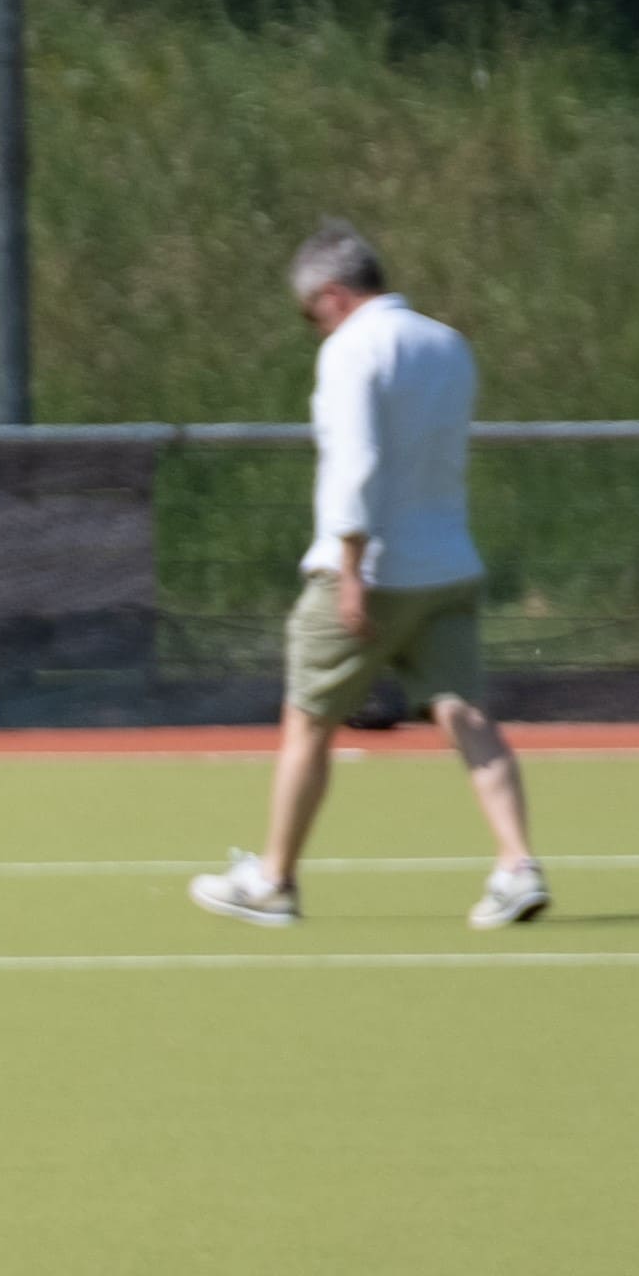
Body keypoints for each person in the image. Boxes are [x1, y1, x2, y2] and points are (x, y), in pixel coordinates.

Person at [196, 224, 546, 932]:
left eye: (310, 314)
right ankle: (518, 867)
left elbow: (353, 464)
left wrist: (352, 572)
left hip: (369, 571)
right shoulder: (448, 344)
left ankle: (274, 882)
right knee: (467, 716)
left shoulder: (351, 349)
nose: (312, 328)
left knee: (307, 721)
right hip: (446, 565)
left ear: (332, 295)